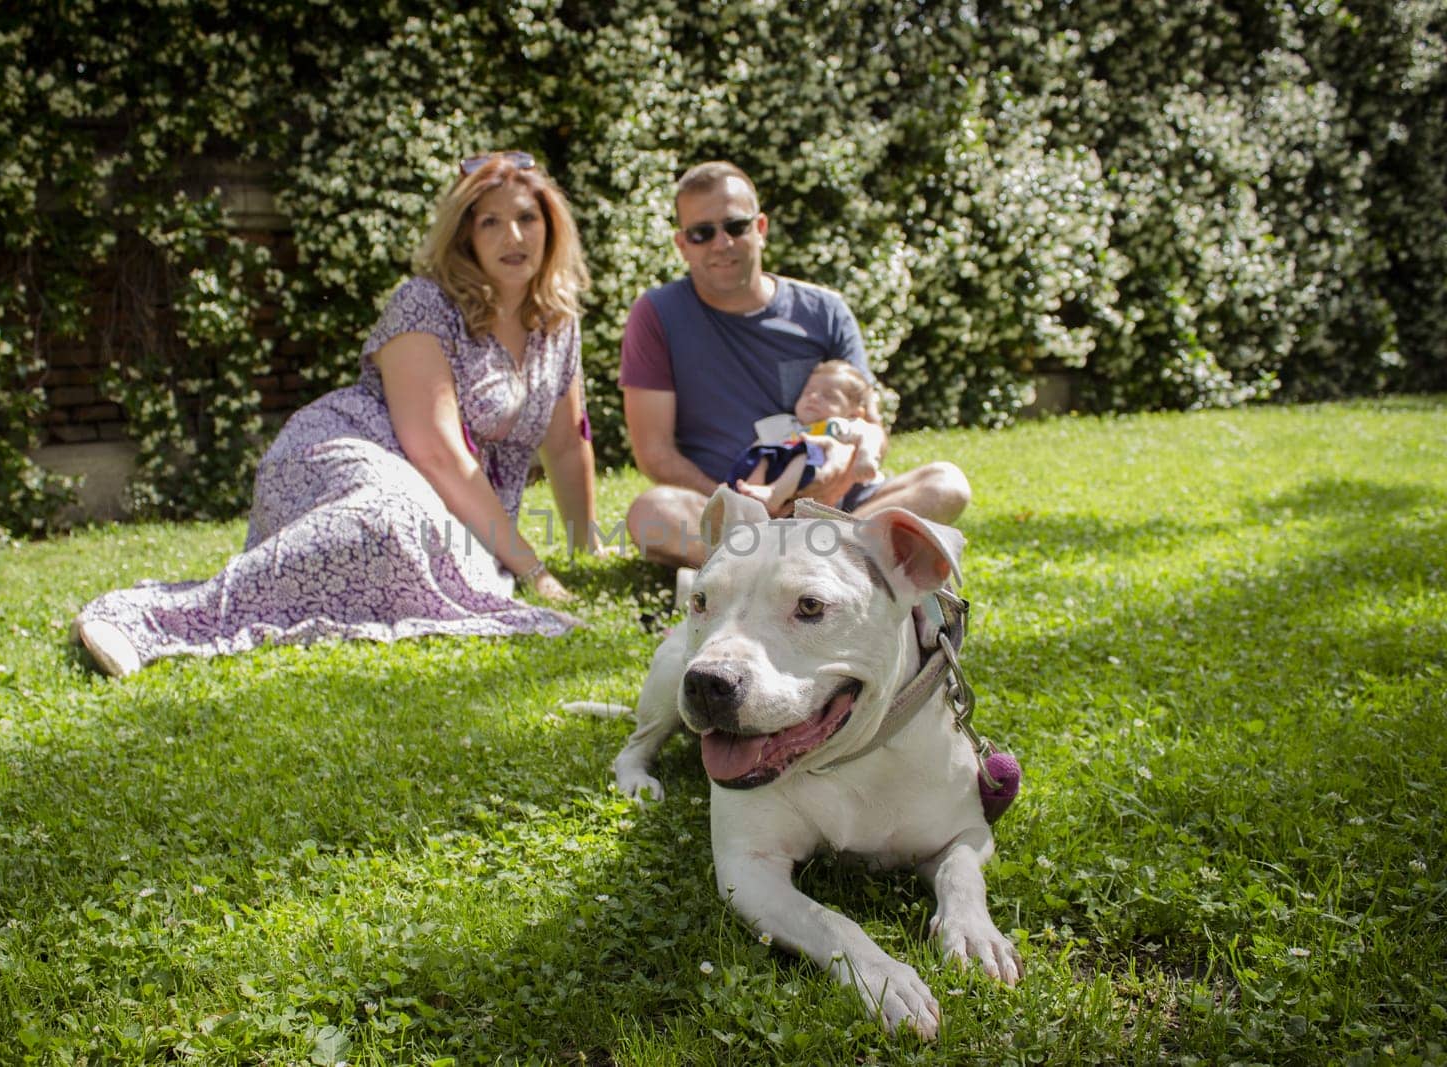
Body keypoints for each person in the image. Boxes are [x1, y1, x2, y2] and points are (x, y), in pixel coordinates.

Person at [74, 151, 604, 677]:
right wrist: (535, 571)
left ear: (551, 226)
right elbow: (438, 454)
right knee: (391, 521)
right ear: (465, 235)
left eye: (526, 218)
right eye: (491, 221)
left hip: (455, 509)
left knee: (430, 552)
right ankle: (145, 622)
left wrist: (588, 546)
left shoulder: (557, 325)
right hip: (348, 452)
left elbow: (564, 441)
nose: (513, 236)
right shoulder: (423, 303)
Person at [620, 161, 971, 569]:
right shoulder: (656, 314)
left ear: (761, 228)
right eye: (702, 233)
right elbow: (655, 453)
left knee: (946, 484)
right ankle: (832, 568)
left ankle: (777, 568)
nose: (721, 243)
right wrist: (742, 502)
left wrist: (826, 484)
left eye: (735, 226)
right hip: (730, 508)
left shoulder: (824, 310)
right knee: (651, 512)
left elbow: (871, 427)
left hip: (835, 504)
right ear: (683, 244)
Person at [728, 359, 888, 517]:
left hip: (846, 493)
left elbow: (871, 432)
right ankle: (748, 494)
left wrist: (866, 457)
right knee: (761, 453)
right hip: (797, 493)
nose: (814, 397)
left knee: (809, 448)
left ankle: (773, 495)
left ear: (853, 413)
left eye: (829, 396)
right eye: (808, 392)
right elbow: (758, 449)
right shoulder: (786, 425)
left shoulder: (838, 425)